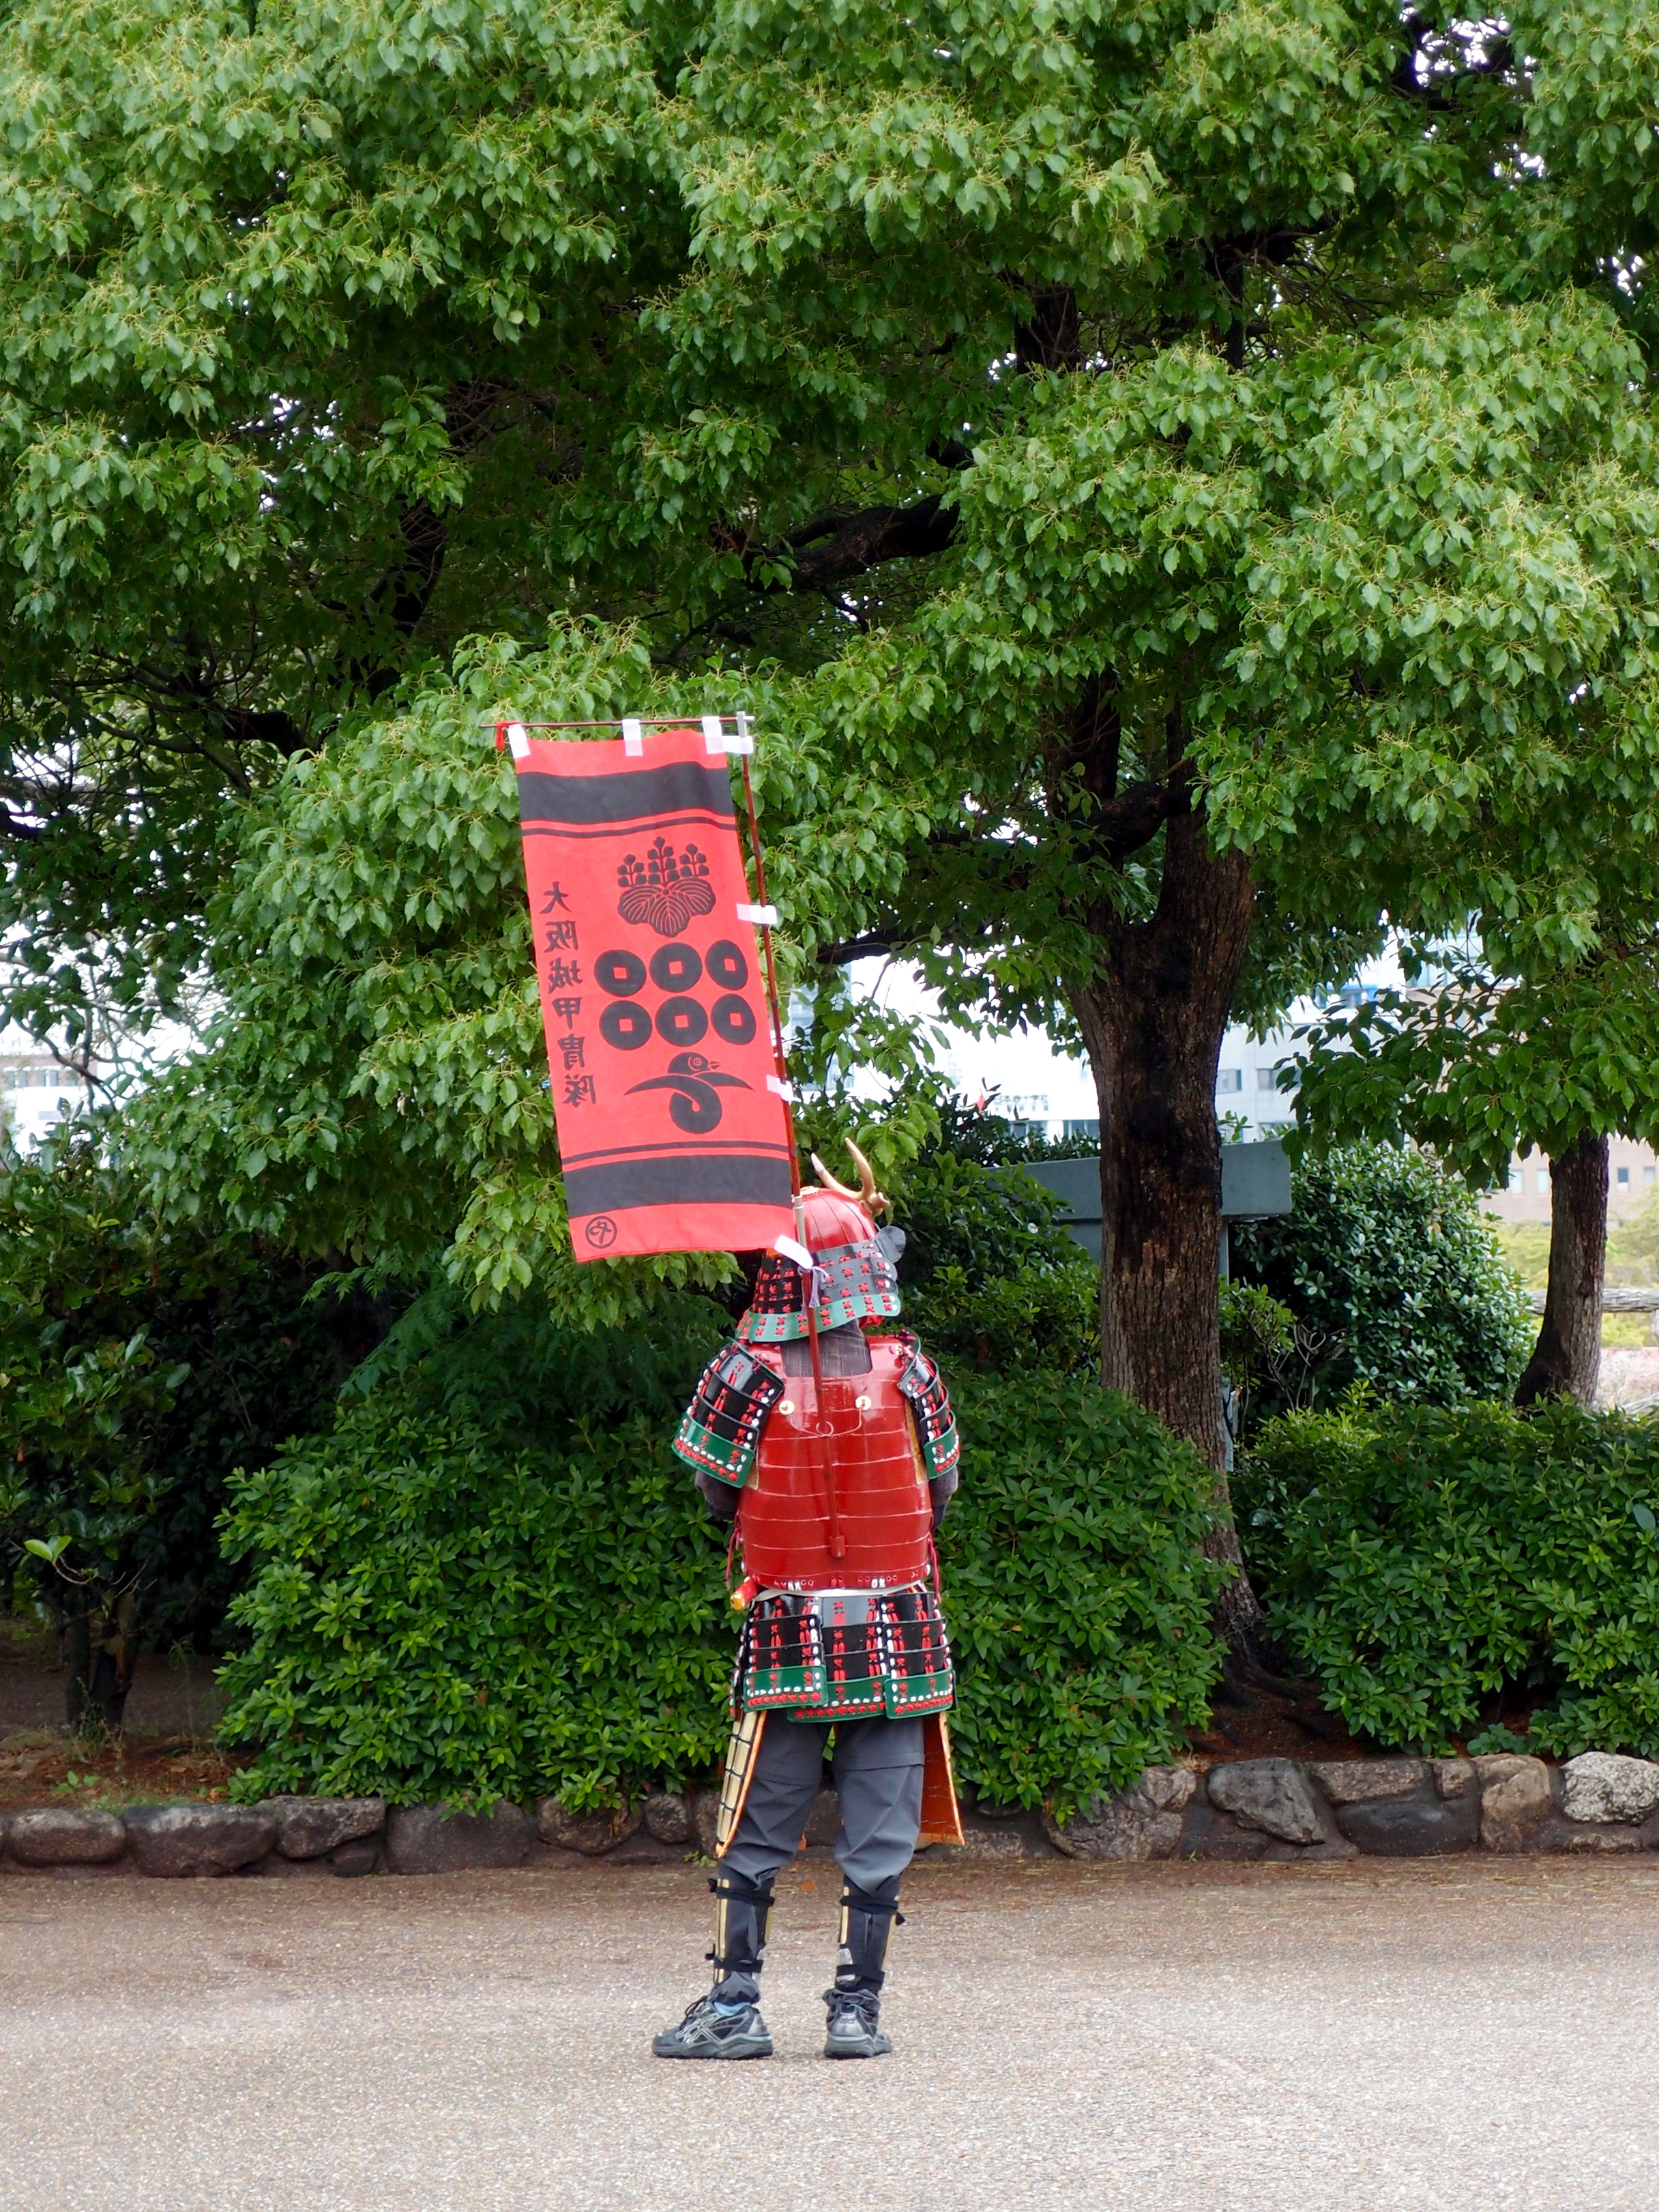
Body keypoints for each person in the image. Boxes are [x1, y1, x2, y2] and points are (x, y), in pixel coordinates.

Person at [653, 1142, 963, 2061]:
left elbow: (718, 1495)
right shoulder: (914, 1373)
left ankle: (736, 2003)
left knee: (756, 1818)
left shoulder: (739, 1372)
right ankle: (855, 2009)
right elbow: (937, 1493)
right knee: (878, 1828)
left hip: (788, 1621)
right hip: (896, 1626)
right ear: (868, 1260)